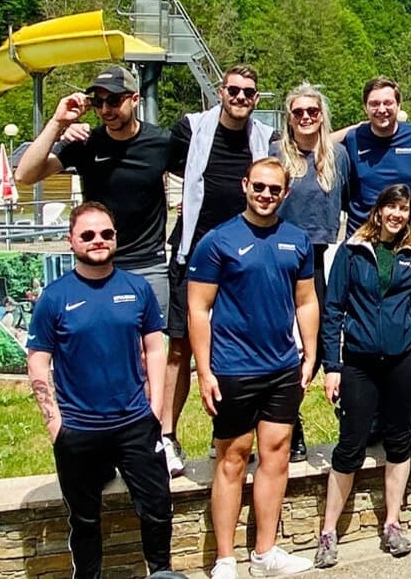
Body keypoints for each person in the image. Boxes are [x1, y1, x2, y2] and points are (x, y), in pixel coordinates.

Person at [26, 202, 173, 579]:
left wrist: (156, 406)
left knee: (157, 506)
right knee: (85, 518)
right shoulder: (55, 297)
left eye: (106, 234)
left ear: (115, 238)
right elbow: (38, 360)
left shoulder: (136, 288)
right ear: (71, 240)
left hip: (136, 422)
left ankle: (161, 572)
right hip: (78, 430)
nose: (98, 241)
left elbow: (156, 348)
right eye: (88, 235)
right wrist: (54, 423)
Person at [188, 158, 319, 578]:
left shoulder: (297, 240)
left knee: (276, 456)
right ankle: (225, 558)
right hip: (233, 368)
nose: (265, 195)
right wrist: (205, 371)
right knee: (232, 459)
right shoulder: (217, 241)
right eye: (259, 187)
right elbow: (198, 308)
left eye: (274, 190)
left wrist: (310, 353)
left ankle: (265, 553)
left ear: (285, 193)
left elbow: (306, 301)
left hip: (282, 366)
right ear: (246, 186)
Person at [315, 183, 411, 562]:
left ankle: (392, 524)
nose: (397, 215)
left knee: (399, 438)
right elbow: (333, 310)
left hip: (407, 357)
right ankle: (327, 532)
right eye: (392, 207)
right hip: (360, 360)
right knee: (350, 443)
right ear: (379, 209)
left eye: (404, 209)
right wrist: (332, 366)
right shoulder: (353, 252)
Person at [162, 65, 275, 477]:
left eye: (248, 92)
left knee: (234, 348)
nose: (241, 97)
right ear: (220, 91)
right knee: (180, 347)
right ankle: (166, 436)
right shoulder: (191, 129)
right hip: (194, 252)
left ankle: (222, 436)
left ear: (257, 99)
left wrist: (351, 129)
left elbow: (309, 144)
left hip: (243, 258)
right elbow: (152, 156)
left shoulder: (264, 137)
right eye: (234, 90)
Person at [15, 65, 171, 320]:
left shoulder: (161, 142)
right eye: (98, 102)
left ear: (134, 99)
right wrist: (58, 124)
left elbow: (200, 176)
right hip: (95, 262)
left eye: (113, 100)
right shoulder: (85, 143)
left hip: (148, 265)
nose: (105, 110)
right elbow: (25, 175)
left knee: (148, 350)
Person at [271, 83, 349, 463]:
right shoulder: (277, 155)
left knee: (315, 345)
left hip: (317, 258)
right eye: (298, 112)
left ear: (322, 116)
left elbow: (352, 201)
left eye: (312, 112)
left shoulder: (337, 157)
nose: (305, 117)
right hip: (280, 258)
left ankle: (302, 410)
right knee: (283, 344)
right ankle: (287, 423)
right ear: (289, 116)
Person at [341, 77, 411, 233]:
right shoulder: (353, 138)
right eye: (374, 104)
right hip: (362, 232)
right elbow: (320, 147)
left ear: (398, 105)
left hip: (406, 233)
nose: (382, 109)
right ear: (365, 107)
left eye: (388, 103)